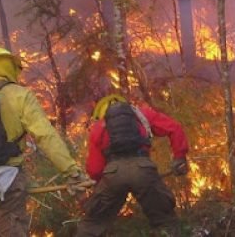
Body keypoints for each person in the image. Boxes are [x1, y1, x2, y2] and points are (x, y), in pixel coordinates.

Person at [0, 47, 87, 237]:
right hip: (10, 179)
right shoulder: (20, 95)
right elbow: (45, 136)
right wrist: (71, 171)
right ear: (12, 68)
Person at [76, 94, 189, 237]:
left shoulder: (98, 127)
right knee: (165, 221)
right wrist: (179, 157)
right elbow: (174, 128)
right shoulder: (143, 115)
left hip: (113, 175)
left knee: (93, 223)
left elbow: (94, 169)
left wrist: (102, 184)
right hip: (144, 170)